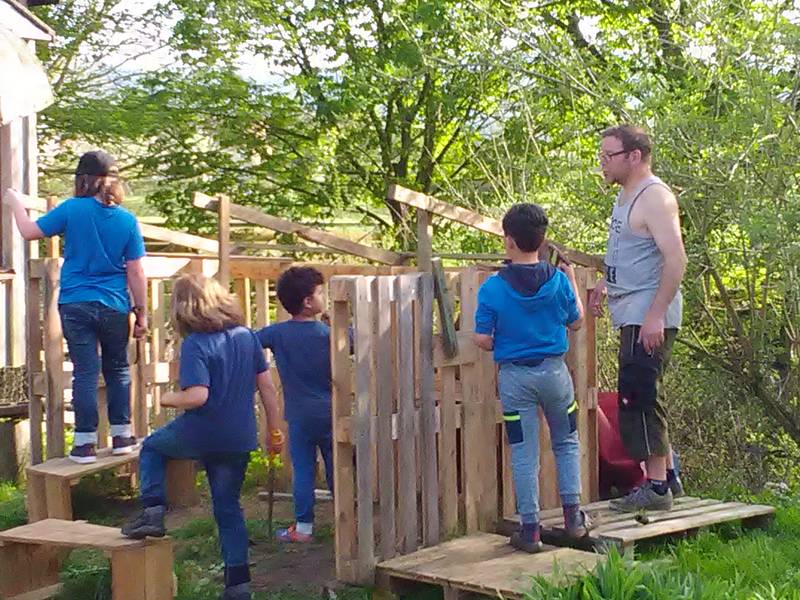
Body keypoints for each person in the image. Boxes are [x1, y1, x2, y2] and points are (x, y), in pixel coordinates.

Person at [121, 273, 284, 600]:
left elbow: (197, 397)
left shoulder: (195, 343)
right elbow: (267, 388)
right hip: (239, 437)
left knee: (152, 447)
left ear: (183, 309)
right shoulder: (247, 337)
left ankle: (152, 512)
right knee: (229, 508)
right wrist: (274, 431)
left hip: (201, 432)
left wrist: (167, 399)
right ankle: (238, 586)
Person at [4, 151, 147, 463]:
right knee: (118, 369)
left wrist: (15, 202)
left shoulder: (72, 210)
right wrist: (141, 312)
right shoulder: (127, 220)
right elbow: (136, 271)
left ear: (83, 179)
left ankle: (84, 443)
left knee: (85, 371)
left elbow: (30, 232)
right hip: (114, 304)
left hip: (75, 303)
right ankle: (122, 435)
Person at [473, 203, 590, 553]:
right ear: (541, 241)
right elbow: (577, 321)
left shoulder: (492, 288)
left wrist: (498, 340)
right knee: (566, 443)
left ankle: (531, 531)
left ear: (508, 240)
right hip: (556, 374)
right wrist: (570, 279)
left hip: (515, 379)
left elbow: (482, 338)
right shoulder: (557, 282)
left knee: (524, 452)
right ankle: (573, 520)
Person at [590, 125, 687, 512]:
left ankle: (658, 487)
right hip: (631, 310)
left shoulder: (655, 198)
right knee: (635, 393)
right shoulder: (625, 197)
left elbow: (676, 258)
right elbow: (628, 255)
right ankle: (670, 476)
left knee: (639, 395)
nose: (602, 164)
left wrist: (656, 315)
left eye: (607, 156)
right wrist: (604, 283)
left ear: (633, 156)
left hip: (648, 314)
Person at [256, 266, 333, 543]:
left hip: (299, 415)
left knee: (303, 471)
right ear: (308, 302)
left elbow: (249, 341)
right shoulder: (326, 335)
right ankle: (346, 521)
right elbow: (353, 341)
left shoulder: (277, 334)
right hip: (329, 412)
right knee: (337, 467)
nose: (324, 296)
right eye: (321, 292)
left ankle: (303, 529)